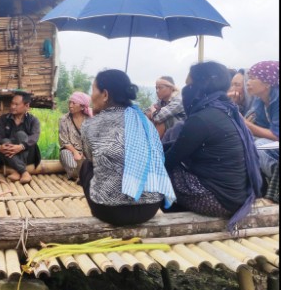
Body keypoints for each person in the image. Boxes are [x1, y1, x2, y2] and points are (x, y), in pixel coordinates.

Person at [163, 62, 262, 231]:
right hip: (238, 196)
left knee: (158, 170)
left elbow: (170, 161)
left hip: (218, 201)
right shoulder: (227, 110)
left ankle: (166, 219)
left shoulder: (201, 118)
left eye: (189, 85)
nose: (185, 91)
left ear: (200, 87)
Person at [80, 69, 175, 226]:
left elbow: (91, 157)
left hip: (110, 211)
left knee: (86, 165)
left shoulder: (91, 124)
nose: (91, 96)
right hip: (149, 209)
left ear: (105, 95)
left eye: (93, 90)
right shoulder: (144, 120)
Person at [0, 90, 42, 184]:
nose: (12, 106)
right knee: (5, 141)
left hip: (28, 156)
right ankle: (23, 172)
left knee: (21, 135)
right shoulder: (4, 119)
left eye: (16, 104)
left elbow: (35, 137)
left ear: (26, 106)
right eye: (12, 103)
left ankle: (16, 171)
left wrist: (21, 147)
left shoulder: (33, 120)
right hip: (7, 155)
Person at [243, 60, 279, 177]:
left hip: (272, 145)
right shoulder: (259, 100)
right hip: (273, 147)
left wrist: (247, 125)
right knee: (243, 141)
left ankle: (275, 181)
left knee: (260, 145)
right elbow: (245, 124)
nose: (248, 83)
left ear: (267, 82)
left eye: (253, 78)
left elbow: (276, 135)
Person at [59, 92, 92, 180]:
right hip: (70, 152)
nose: (70, 105)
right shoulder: (64, 119)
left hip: (87, 152)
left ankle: (85, 174)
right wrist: (75, 152)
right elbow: (64, 141)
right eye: (69, 102)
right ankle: (80, 175)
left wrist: (85, 154)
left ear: (82, 107)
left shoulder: (90, 119)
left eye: (74, 103)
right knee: (65, 154)